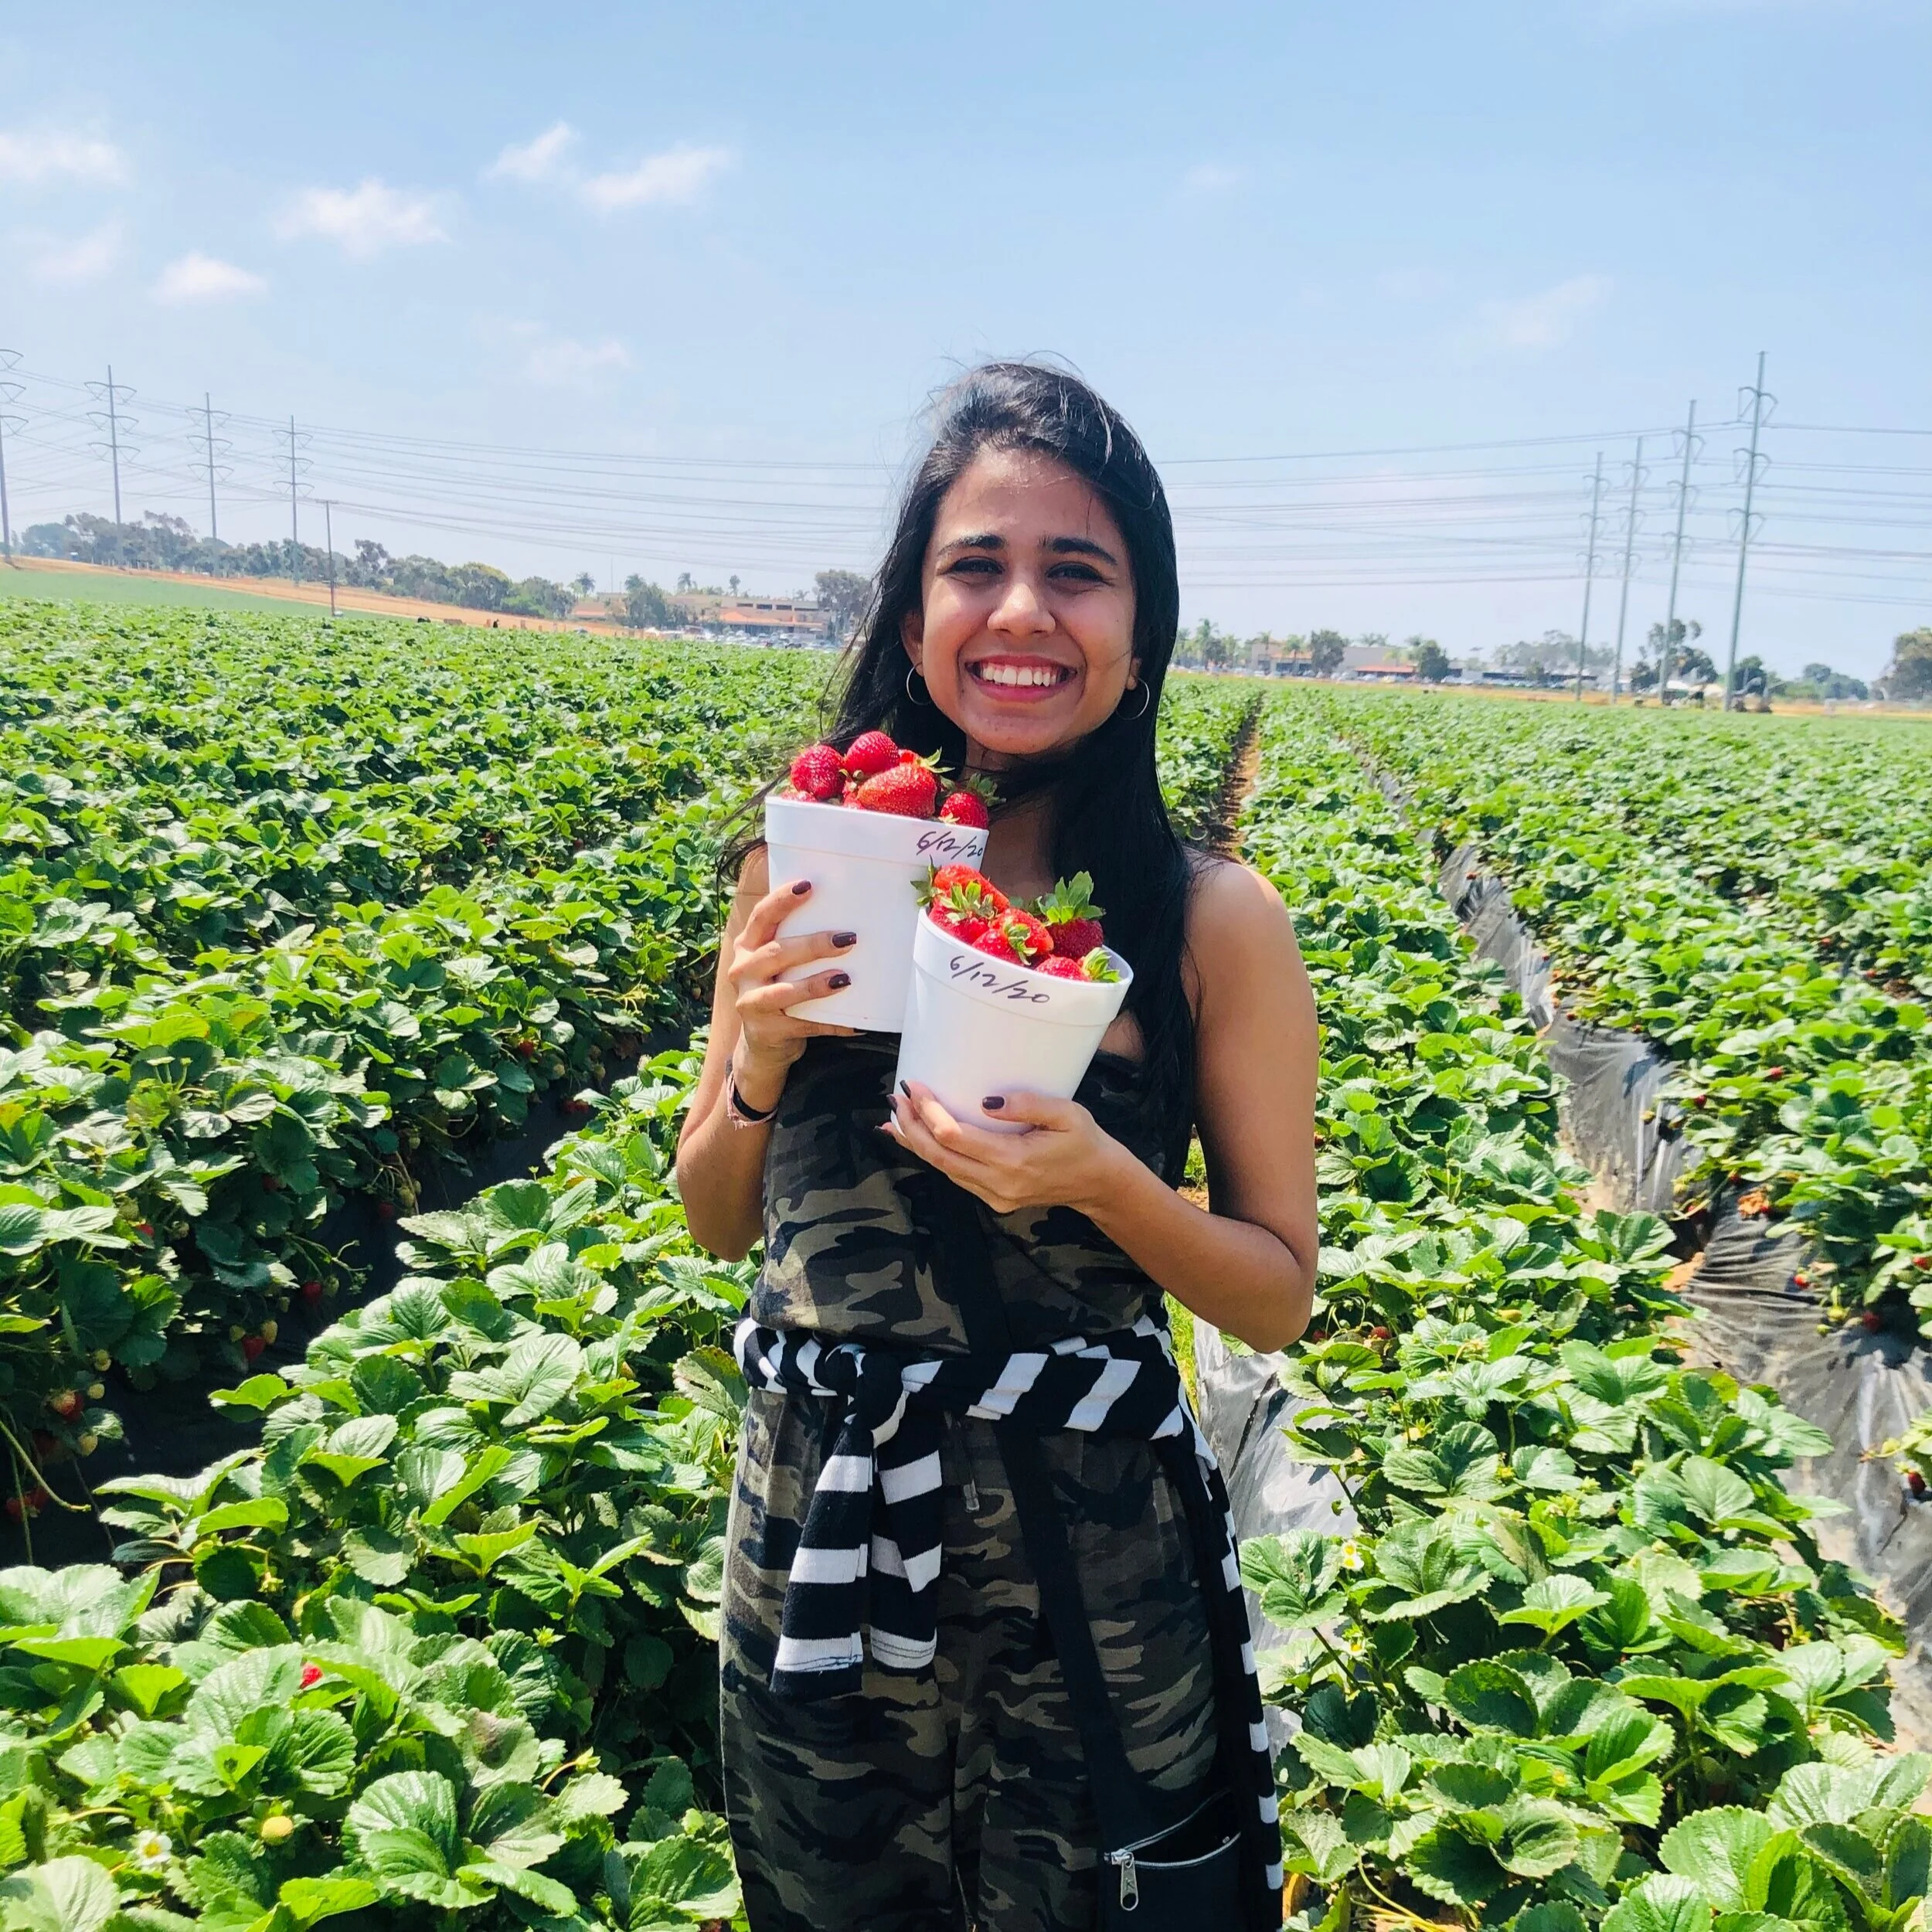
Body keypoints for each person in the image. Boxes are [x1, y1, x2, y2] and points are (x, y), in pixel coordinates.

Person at [675, 362, 1318, 1932]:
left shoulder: (1208, 919)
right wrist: (760, 1059)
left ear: (1140, 635)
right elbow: (712, 1216)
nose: (1020, 610)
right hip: (822, 1519)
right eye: (975, 566)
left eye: (1075, 572)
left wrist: (1103, 1180)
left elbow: (1274, 1294)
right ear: (913, 622)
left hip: (1085, 1556)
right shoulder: (800, 865)